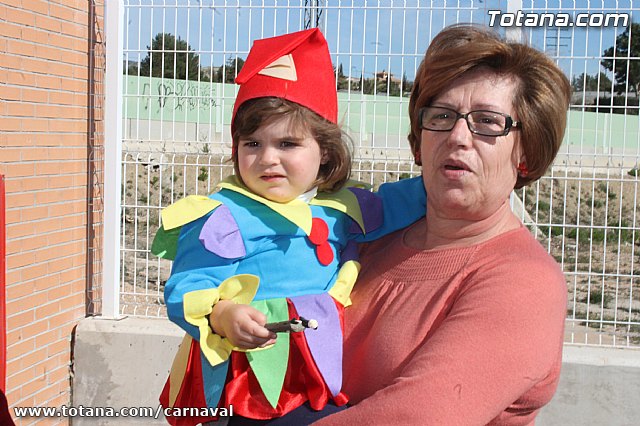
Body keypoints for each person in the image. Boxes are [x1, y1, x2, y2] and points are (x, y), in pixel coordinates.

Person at [288, 23, 569, 425]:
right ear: (419, 142)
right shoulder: (367, 238)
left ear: (527, 153)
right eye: (442, 115)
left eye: (488, 121)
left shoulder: (523, 283)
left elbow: (416, 417)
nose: (458, 136)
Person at [152, 28, 425, 425]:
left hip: (318, 371)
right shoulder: (224, 216)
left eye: (287, 144)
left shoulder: (344, 206)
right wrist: (224, 314)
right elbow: (187, 287)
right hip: (248, 381)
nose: (267, 159)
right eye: (252, 144)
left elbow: (412, 199)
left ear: (325, 151)